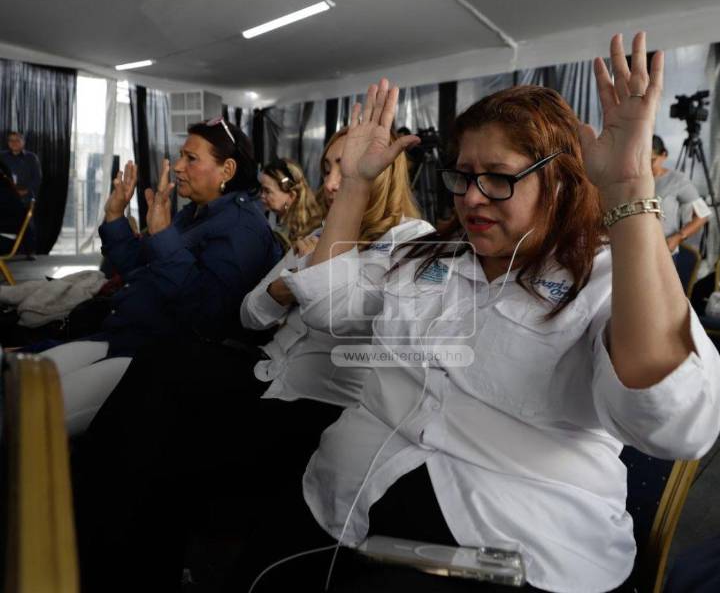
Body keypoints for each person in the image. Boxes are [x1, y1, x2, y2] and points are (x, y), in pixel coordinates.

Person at [261, 32, 720, 592]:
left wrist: (628, 192)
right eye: (462, 176)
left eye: (499, 178)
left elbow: (676, 424)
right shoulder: (429, 254)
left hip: (517, 543)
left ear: (558, 180)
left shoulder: (603, 277)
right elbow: (329, 312)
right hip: (342, 502)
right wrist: (356, 184)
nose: (472, 196)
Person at [72, 127, 434, 593]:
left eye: (341, 170)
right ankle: (98, 537)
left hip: (316, 401)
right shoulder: (321, 233)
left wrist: (307, 277)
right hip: (261, 372)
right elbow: (252, 311)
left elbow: (335, 315)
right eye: (327, 170)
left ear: (381, 174)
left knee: (165, 438)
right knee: (160, 368)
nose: (328, 184)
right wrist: (284, 288)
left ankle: (103, 542)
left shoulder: (411, 242)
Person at [42, 118, 280, 434]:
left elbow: (209, 314)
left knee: (35, 418)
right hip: (126, 334)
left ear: (227, 170)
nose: (178, 166)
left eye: (191, 158)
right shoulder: (194, 213)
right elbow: (139, 271)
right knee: (27, 383)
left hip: (159, 354)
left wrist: (164, 237)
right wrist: (115, 217)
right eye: (181, 155)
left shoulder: (243, 229)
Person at [651, 134, 710, 252]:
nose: (646, 165)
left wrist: (678, 237)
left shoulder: (676, 180)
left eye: (652, 160)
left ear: (664, 155)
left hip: (664, 249)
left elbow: (703, 214)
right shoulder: (631, 181)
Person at [259, 157, 324, 251]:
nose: (262, 196)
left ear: (291, 196)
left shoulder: (306, 233)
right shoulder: (272, 217)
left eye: (267, 191)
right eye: (261, 190)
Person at [1, 131, 42, 203]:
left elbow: (37, 179)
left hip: (25, 199)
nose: (14, 143)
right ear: (8, 143)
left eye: (17, 140)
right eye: (11, 140)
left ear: (23, 142)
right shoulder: (2, 156)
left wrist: (25, 191)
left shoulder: (31, 158)